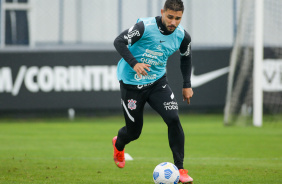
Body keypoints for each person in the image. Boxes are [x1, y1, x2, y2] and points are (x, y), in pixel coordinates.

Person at [112, 0, 193, 183]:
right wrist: (135, 63)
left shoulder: (182, 36)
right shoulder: (144, 27)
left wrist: (186, 84)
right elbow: (119, 41)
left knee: (173, 119)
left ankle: (180, 169)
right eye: (170, 17)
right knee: (133, 133)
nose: (173, 22)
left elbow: (186, 57)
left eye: (178, 18)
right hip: (131, 84)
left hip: (157, 82)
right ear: (163, 12)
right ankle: (118, 144)